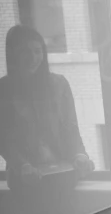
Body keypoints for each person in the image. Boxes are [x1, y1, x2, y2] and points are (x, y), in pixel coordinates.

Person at [0, 25, 94, 191]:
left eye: (37, 51)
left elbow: (70, 127)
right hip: (25, 179)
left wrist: (80, 155)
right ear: (13, 54)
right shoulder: (3, 89)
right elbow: (4, 138)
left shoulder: (59, 84)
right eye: (25, 52)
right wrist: (22, 165)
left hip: (63, 174)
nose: (33, 57)